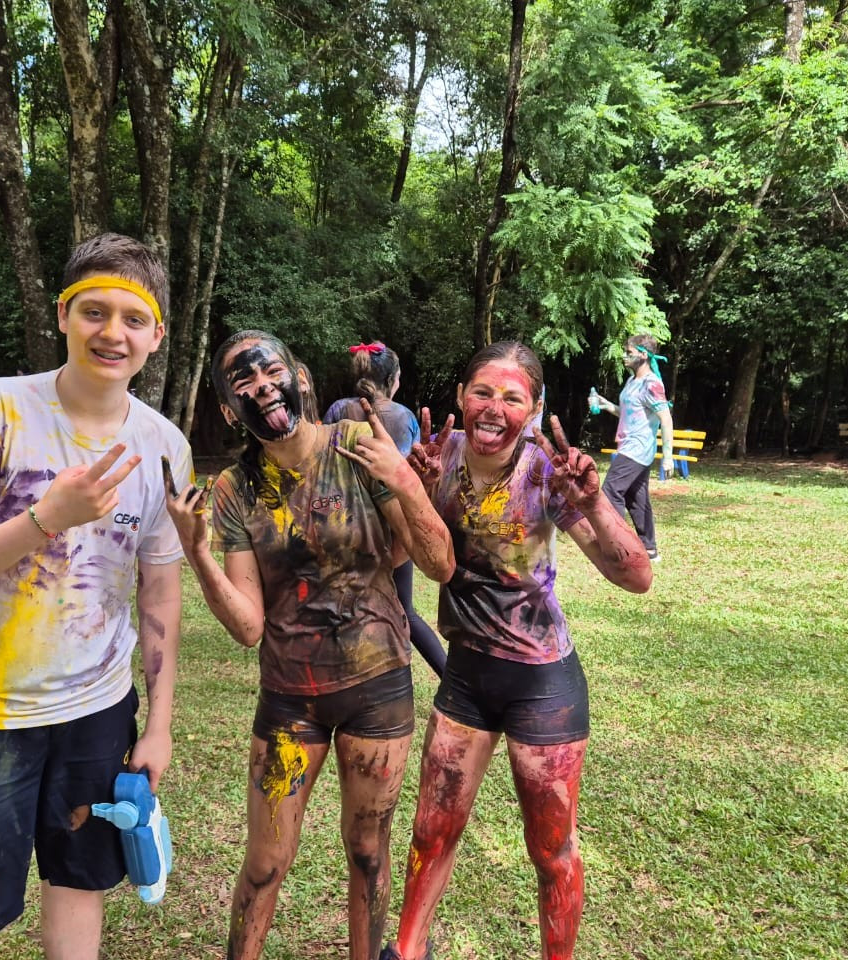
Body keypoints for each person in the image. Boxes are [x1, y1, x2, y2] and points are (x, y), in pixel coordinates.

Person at [0, 232, 189, 960]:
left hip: (97, 711)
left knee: (79, 884)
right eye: (94, 311)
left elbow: (160, 590)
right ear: (63, 314)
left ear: (156, 336)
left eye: (133, 318)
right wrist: (46, 518)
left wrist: (158, 725)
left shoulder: (164, 446)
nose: (112, 333)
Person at [162, 330, 454, 960]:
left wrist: (406, 482)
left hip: (377, 685)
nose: (262, 388)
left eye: (270, 372)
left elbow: (439, 565)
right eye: (243, 383)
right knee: (265, 861)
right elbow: (247, 627)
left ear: (297, 377)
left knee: (369, 852)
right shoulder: (235, 490)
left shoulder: (357, 445)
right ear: (228, 411)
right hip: (291, 698)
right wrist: (197, 551)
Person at [381, 341, 653, 960]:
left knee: (551, 850)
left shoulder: (544, 472)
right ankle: (407, 951)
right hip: (467, 675)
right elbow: (404, 559)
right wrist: (415, 493)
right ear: (461, 396)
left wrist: (592, 502)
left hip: (542, 684)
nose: (493, 408)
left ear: (532, 410)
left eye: (512, 398)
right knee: (430, 832)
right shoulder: (437, 456)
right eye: (482, 392)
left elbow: (636, 576)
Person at [324, 342, 446, 676]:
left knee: (343, 607)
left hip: (344, 526)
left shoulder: (338, 410)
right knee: (405, 610)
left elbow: (324, 465)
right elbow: (408, 474)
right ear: (392, 379)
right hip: (393, 529)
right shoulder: (404, 417)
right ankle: (447, 676)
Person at [588, 333, 673, 562]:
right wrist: (606, 405)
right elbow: (629, 413)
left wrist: (667, 457)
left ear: (643, 355)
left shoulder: (651, 384)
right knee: (637, 498)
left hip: (638, 448)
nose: (624, 356)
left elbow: (665, 419)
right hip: (629, 445)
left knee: (610, 491)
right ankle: (649, 548)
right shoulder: (632, 382)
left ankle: (619, 546)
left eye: (629, 352)